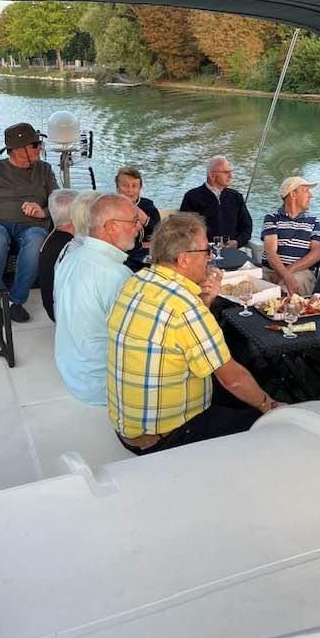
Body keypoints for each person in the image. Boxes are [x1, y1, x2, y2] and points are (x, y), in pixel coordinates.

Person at [107, 212, 281, 455]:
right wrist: (269, 405)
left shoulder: (135, 283)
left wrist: (205, 301)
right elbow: (233, 379)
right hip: (165, 438)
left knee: (233, 393)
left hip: (128, 425)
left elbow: (179, 336)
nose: (210, 257)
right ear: (184, 259)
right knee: (261, 421)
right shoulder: (184, 307)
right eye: (205, 250)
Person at [0, 122, 58, 325]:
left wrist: (44, 211)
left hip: (32, 228)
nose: (40, 147)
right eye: (35, 144)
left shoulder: (45, 170)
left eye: (39, 143)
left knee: (37, 238)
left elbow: (59, 200)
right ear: (16, 150)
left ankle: (16, 301)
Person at [54, 194, 140, 405]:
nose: (138, 227)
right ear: (110, 227)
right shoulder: (116, 275)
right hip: (101, 386)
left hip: (73, 373)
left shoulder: (71, 256)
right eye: (134, 221)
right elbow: (137, 341)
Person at [261, 176, 320, 296]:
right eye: (306, 191)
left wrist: (287, 273)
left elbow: (316, 254)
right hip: (271, 271)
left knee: (282, 292)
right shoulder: (272, 217)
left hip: (301, 273)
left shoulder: (313, 221)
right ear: (293, 194)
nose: (311, 196)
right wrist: (284, 274)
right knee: (246, 287)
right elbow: (270, 252)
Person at [180, 155, 252, 248]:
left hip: (231, 251)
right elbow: (184, 229)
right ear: (212, 175)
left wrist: (237, 242)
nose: (231, 176)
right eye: (226, 172)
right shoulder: (192, 196)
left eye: (231, 172)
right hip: (202, 251)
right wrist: (202, 246)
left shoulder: (236, 197)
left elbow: (246, 227)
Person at [38, 188, 78, 321]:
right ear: (75, 216)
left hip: (52, 309)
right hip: (64, 316)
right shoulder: (71, 247)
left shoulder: (51, 239)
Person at [115, 165, 161, 270]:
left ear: (140, 188)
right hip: (120, 253)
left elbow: (159, 234)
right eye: (125, 185)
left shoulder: (148, 206)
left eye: (134, 186)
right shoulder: (110, 206)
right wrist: (140, 245)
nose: (129, 190)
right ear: (117, 188)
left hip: (143, 255)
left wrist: (144, 218)